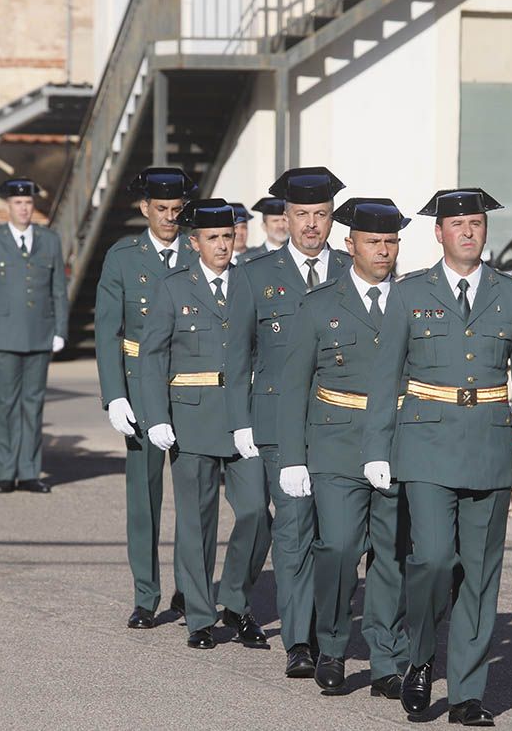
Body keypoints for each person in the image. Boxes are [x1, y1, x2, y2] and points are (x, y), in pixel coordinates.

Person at [360, 188, 512, 726]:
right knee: (434, 560)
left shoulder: (511, 295)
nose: (468, 231)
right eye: (457, 224)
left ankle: (467, 693)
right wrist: (377, 446)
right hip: (424, 445)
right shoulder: (410, 293)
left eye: (476, 223)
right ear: (438, 233)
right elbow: (386, 376)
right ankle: (420, 657)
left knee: (480, 574)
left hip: (488, 444)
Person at [276, 198, 410, 698]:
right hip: (335, 442)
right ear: (349, 244)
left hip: (398, 441)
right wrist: (292, 456)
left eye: (392, 241)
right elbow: (294, 387)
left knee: (392, 554)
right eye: (374, 242)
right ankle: (331, 646)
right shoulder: (321, 304)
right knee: (338, 548)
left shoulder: (413, 298)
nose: (384, 250)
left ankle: (386, 658)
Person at [226, 166, 352, 678]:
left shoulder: (351, 268)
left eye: (321, 215)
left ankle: (331, 630)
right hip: (280, 421)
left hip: (341, 423)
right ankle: (301, 640)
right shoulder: (255, 274)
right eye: (302, 215)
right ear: (286, 217)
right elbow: (237, 355)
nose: (311, 225)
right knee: (295, 529)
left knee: (338, 535)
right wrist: (240, 422)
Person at [139, 199, 269, 652]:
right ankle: (199, 615)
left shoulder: (250, 283)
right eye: (212, 238)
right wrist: (156, 416)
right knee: (196, 523)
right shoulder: (174, 287)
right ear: (194, 243)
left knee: (256, 511)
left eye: (227, 237)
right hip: (190, 416)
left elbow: (261, 350)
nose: (221, 245)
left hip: (242, 419)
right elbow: (151, 356)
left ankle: (233, 599)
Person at [95, 166, 197, 629]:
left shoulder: (197, 252)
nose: (170, 218)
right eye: (162, 210)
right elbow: (107, 330)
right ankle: (145, 594)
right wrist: (114, 394)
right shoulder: (123, 256)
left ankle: (188, 589)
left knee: (195, 496)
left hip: (190, 385)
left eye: (177, 210)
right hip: (139, 384)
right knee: (145, 497)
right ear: (144, 209)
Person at [0, 179, 68, 493]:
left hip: (39, 333)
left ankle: (29, 471)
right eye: (17, 203)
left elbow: (58, 290)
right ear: (7, 207)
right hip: (3, 334)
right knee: (5, 405)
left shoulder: (49, 240)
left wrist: (60, 330)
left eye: (28, 203)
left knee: (33, 404)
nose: (24, 209)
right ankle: (5, 470)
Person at [243, 196, 288, 261]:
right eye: (275, 221)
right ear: (264, 226)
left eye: (284, 220)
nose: (281, 226)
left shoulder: (300, 255)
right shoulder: (249, 258)